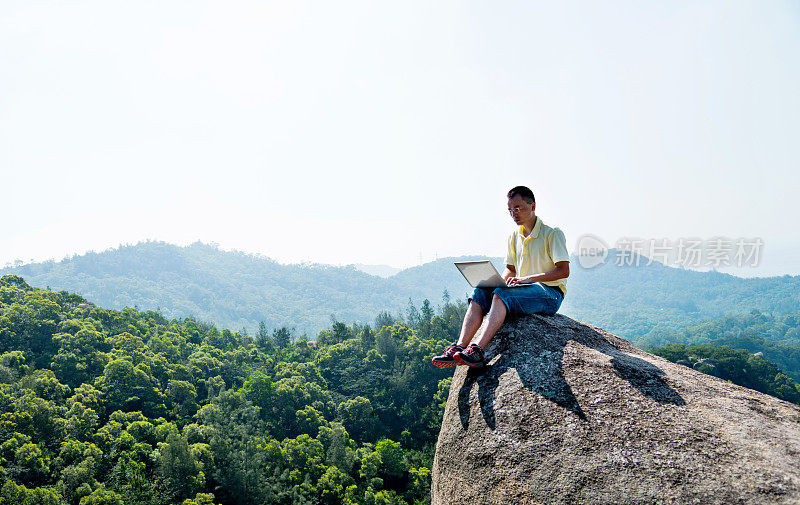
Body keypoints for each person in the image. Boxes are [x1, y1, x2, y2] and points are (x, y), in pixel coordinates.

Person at [432, 185, 570, 368]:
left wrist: (528, 279)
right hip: (523, 289)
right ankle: (459, 347)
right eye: (510, 210)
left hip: (550, 293)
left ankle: (478, 350)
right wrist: (499, 281)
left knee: (501, 295)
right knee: (481, 291)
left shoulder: (552, 233)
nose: (514, 214)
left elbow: (563, 270)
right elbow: (511, 269)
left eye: (518, 208)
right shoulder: (514, 236)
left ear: (533, 206)